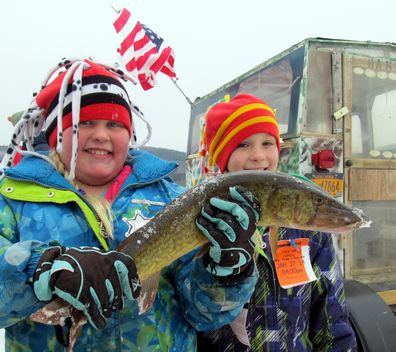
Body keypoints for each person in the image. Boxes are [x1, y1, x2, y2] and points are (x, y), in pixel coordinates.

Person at [0, 59, 260, 351]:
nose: (101, 134)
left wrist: (226, 269)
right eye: (85, 122)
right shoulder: (13, 199)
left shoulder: (173, 200)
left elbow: (204, 314)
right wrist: (42, 268)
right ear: (57, 132)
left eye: (114, 123)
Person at [195, 94, 358, 351]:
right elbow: (195, 314)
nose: (258, 156)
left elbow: (331, 317)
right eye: (242, 145)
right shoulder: (206, 221)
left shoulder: (307, 229)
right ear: (222, 157)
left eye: (267, 142)